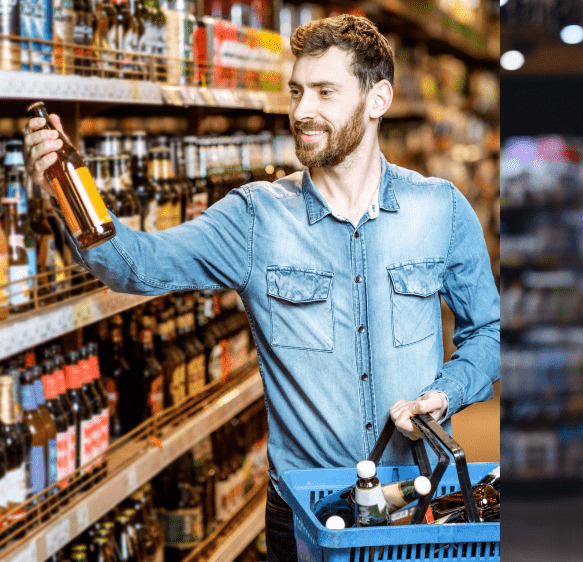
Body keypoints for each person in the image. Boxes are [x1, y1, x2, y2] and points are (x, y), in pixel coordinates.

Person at [22, 15, 500, 561]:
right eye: (297, 92)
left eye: (324, 92)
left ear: (378, 99)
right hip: (308, 515)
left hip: (417, 510)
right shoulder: (255, 219)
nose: (301, 111)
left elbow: (487, 333)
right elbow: (139, 266)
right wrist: (69, 191)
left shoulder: (439, 209)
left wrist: (447, 394)